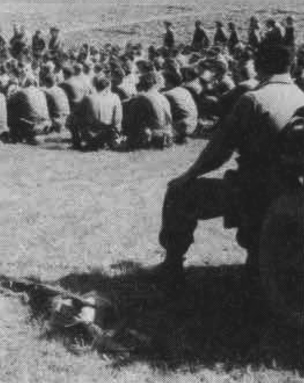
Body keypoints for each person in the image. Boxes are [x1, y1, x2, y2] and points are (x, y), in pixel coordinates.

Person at [158, 43, 304, 291]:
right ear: (289, 66)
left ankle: (172, 267)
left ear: (258, 65)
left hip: (254, 190)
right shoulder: (300, 96)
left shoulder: (253, 99)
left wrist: (189, 175)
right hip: (289, 190)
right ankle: (255, 262)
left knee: (179, 193)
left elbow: (220, 150)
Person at [123, 72, 173, 149]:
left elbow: (133, 121)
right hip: (168, 135)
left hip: (152, 138)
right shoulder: (163, 97)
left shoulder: (141, 98)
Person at [75, 75, 123, 150]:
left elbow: (77, 114)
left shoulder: (88, 98)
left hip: (90, 134)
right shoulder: (115, 97)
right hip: (109, 134)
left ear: (95, 86)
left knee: (73, 117)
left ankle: (77, 143)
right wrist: (116, 133)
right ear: (108, 86)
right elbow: (117, 119)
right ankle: (109, 142)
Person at [7, 78, 50, 144]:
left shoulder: (22, 92)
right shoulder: (41, 92)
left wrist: (10, 93)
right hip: (46, 121)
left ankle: (15, 135)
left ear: (26, 84)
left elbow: (10, 101)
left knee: (12, 108)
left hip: (31, 123)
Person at [162, 71, 198, 143]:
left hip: (181, 126)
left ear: (168, 81)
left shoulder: (168, 94)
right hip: (193, 123)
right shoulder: (184, 90)